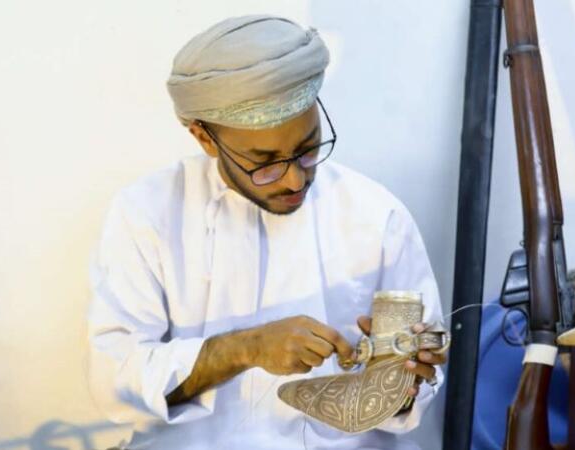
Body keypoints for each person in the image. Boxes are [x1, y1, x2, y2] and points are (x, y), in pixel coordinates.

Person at [87, 14, 445, 450]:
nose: (295, 179)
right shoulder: (146, 214)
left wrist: (403, 381)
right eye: (265, 162)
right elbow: (115, 382)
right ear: (204, 138)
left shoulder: (376, 214)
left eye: (308, 149)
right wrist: (245, 348)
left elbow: (411, 401)